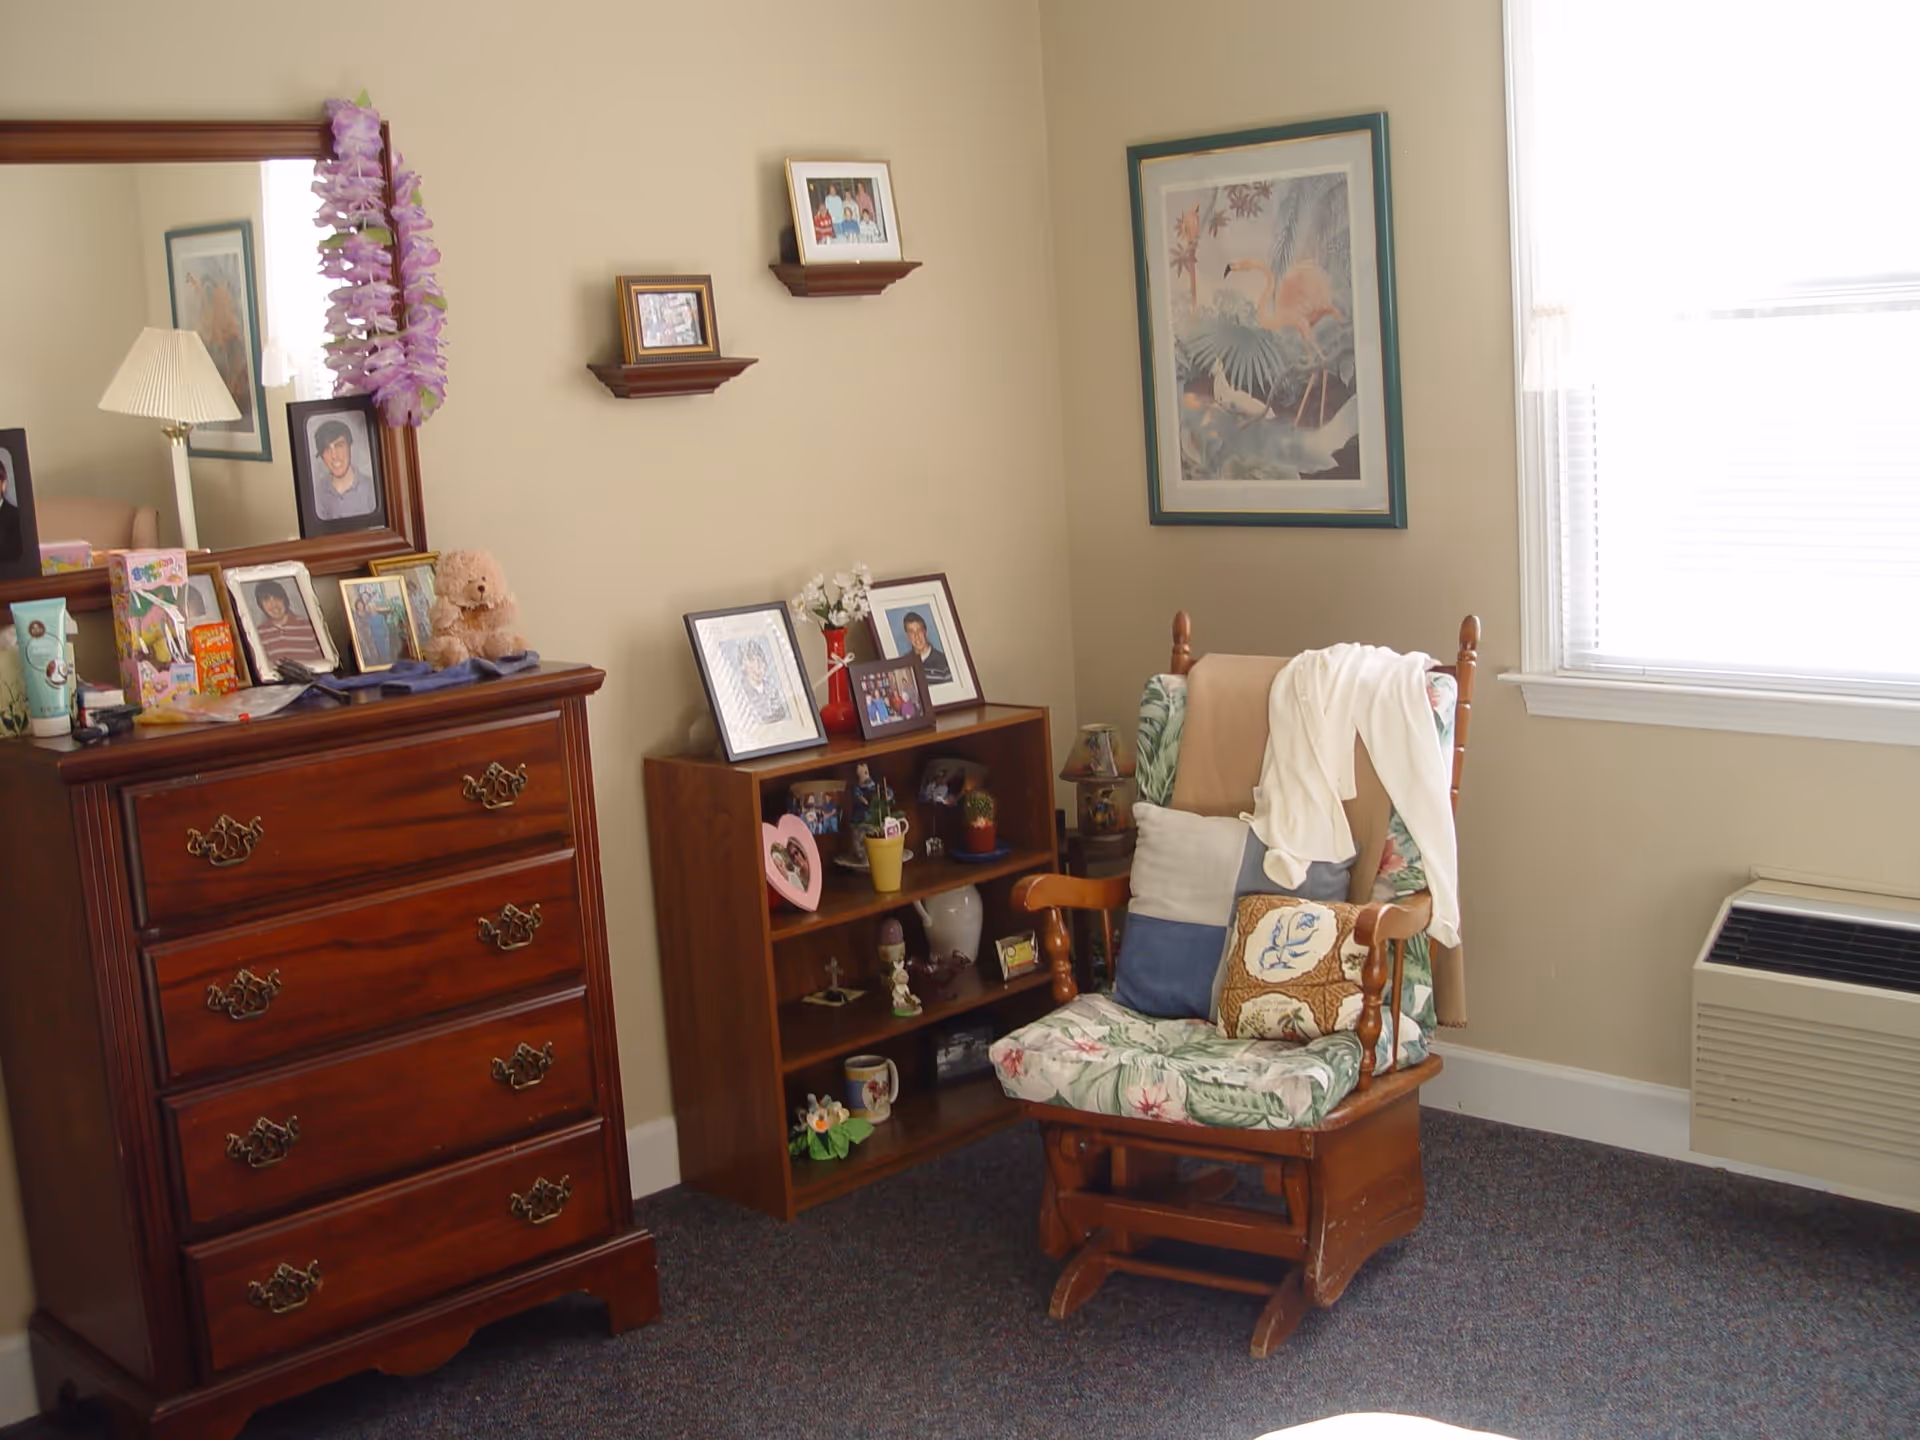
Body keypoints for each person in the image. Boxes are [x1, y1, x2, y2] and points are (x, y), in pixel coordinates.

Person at [249, 579, 328, 669]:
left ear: (285, 600)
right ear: (261, 606)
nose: (274, 604)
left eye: (277, 598)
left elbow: (325, 662)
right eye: (267, 600)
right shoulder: (259, 634)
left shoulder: (309, 626)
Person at [310, 417, 377, 522]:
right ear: (322, 457)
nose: (334, 456)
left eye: (339, 446)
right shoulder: (318, 493)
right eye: (327, 449)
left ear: (349, 447)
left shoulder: (370, 488)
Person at [733, 640, 789, 725]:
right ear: (742, 665)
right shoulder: (740, 692)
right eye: (751, 659)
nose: (758, 664)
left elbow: (781, 716)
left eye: (760, 659)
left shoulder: (772, 690)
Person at [900, 611, 952, 684]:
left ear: (925, 631)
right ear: (908, 635)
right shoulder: (904, 664)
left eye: (919, 630)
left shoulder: (944, 662)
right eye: (911, 632)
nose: (916, 636)